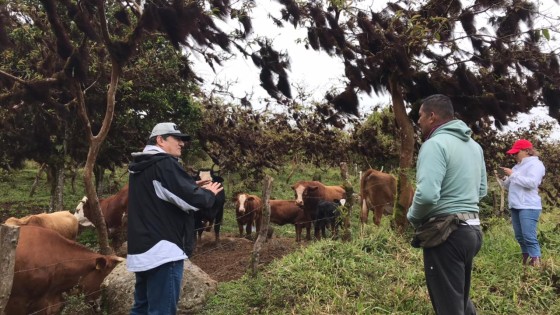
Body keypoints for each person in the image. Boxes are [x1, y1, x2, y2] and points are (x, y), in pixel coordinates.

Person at [127, 122, 223, 314]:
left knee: (141, 308)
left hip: (141, 250)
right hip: (163, 251)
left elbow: (158, 193)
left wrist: (190, 184)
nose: (182, 144)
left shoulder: (141, 165)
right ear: (160, 140)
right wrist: (209, 194)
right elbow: (193, 201)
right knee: (162, 311)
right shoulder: (164, 164)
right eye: (176, 138)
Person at [407, 94, 487, 315]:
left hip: (446, 234)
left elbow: (427, 195)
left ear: (432, 116)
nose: (419, 122)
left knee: (449, 308)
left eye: (421, 116)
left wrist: (412, 217)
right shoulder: (475, 147)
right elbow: (482, 191)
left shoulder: (434, 145)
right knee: (459, 299)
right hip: (472, 231)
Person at [500, 139, 545, 267]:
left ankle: (536, 262)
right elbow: (511, 185)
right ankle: (526, 261)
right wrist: (504, 177)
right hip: (515, 205)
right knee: (520, 236)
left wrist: (512, 174)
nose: (514, 156)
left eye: (516, 153)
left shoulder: (536, 165)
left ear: (527, 151)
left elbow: (532, 183)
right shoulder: (517, 166)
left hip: (529, 205)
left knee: (528, 236)